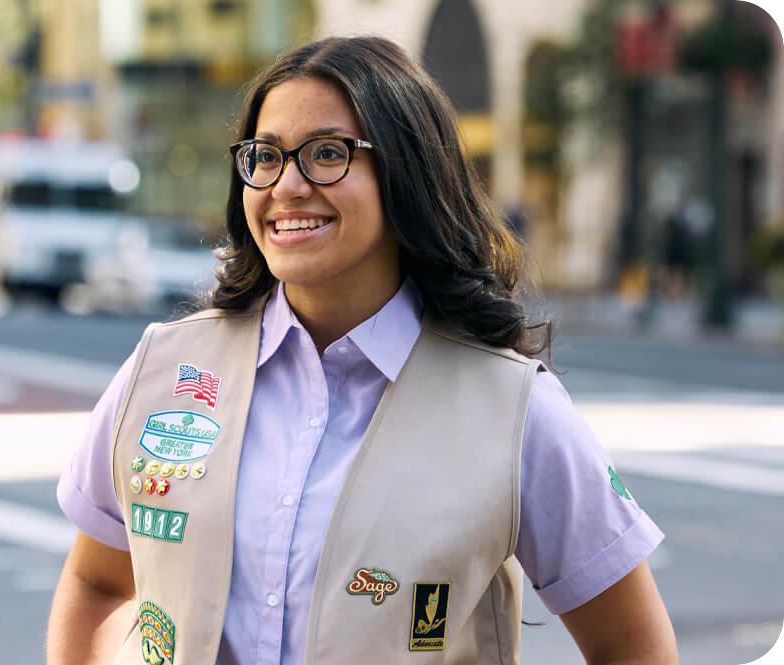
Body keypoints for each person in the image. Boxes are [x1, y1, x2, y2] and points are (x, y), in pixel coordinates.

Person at [48, 36, 677, 665]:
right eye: (265, 157)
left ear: (405, 173)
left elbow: (634, 648)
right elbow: (98, 583)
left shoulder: (515, 409)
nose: (287, 185)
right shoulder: (164, 368)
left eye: (327, 154)